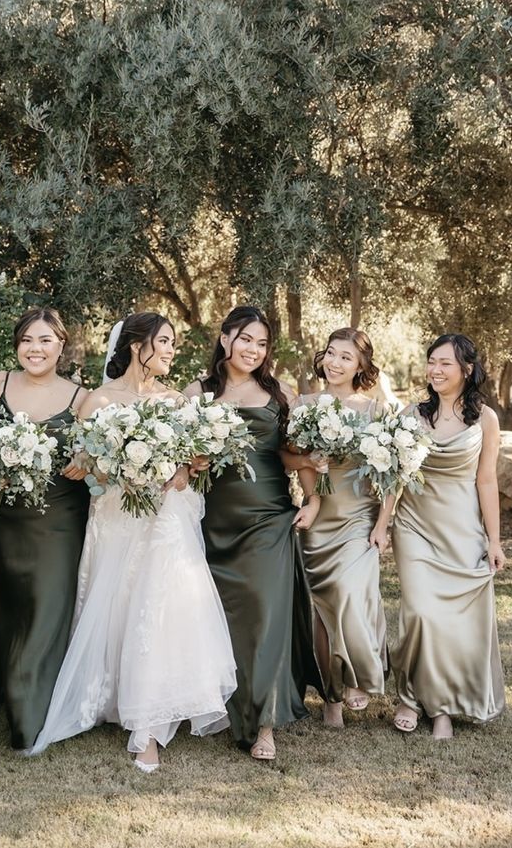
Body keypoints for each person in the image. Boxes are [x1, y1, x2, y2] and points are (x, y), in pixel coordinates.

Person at [26, 312, 236, 772]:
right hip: (118, 515)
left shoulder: (177, 401)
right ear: (136, 344)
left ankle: (148, 726)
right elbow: (86, 470)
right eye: (163, 341)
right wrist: (118, 467)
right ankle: (116, 699)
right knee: (119, 603)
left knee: (158, 606)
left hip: (165, 519)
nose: (170, 350)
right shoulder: (99, 401)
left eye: (173, 343)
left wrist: (185, 467)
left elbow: (189, 469)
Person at [0, 308, 90, 750]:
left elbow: (99, 452)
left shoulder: (82, 397)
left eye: (45, 340)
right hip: (3, 516)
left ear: (61, 346)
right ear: (17, 345)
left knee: (49, 604)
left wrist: (86, 460)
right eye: (27, 340)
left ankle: (30, 712)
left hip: (60, 518)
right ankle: (3, 681)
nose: (35, 349)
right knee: (9, 602)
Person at [184, 305, 323, 762]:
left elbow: (292, 452)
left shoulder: (279, 392)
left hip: (267, 516)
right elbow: (180, 459)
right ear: (225, 339)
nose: (254, 350)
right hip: (213, 520)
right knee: (222, 622)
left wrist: (313, 497)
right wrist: (193, 460)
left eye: (262, 343)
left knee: (265, 617)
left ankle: (265, 724)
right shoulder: (198, 392)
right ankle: (224, 707)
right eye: (246, 339)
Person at [378, 333, 506, 739]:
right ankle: (410, 697)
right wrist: (383, 524)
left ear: (466, 369)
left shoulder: (485, 418)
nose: (435, 369)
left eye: (445, 363)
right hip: (415, 525)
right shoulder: (410, 416)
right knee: (419, 612)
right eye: (431, 361)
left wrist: (494, 539)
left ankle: (442, 707)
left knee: (451, 623)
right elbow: (394, 477)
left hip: (462, 530)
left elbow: (486, 481)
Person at [289, 327, 389, 728]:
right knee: (322, 611)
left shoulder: (374, 410)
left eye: (346, 357)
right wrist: (312, 469)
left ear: (361, 365)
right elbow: (292, 459)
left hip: (358, 518)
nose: (335, 362)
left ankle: (356, 676)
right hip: (319, 516)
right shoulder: (305, 404)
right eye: (331, 353)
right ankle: (330, 698)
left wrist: (384, 523)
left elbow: (392, 474)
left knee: (349, 594)